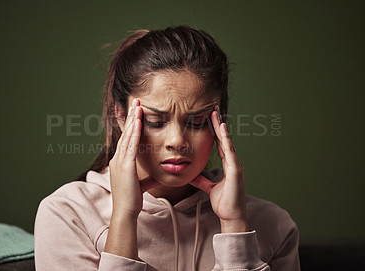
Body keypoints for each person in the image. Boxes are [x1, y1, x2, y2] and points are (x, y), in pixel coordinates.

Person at [34, 25, 300, 271]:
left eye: (197, 122)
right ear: (121, 115)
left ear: (221, 119)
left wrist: (234, 225)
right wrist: (124, 217)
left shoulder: (273, 225)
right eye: (155, 121)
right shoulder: (68, 215)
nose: (177, 140)